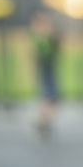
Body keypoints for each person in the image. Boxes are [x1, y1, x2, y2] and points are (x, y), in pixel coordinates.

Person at [31, 8, 62, 138]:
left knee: (51, 97)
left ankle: (44, 121)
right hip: (47, 70)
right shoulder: (42, 39)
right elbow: (37, 56)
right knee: (51, 97)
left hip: (49, 70)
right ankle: (43, 122)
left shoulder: (44, 37)